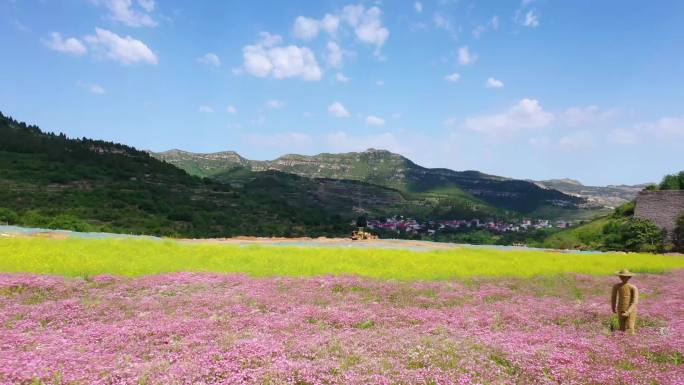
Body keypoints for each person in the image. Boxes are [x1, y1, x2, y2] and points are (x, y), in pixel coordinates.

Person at [611, 269, 639, 335]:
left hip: (631, 310)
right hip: (620, 308)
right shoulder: (616, 286)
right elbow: (613, 297)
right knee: (622, 328)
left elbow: (635, 301)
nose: (622, 278)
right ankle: (622, 342)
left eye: (624, 276)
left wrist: (628, 311)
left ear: (629, 277)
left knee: (630, 327)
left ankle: (632, 341)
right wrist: (613, 306)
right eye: (621, 276)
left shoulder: (633, 287)